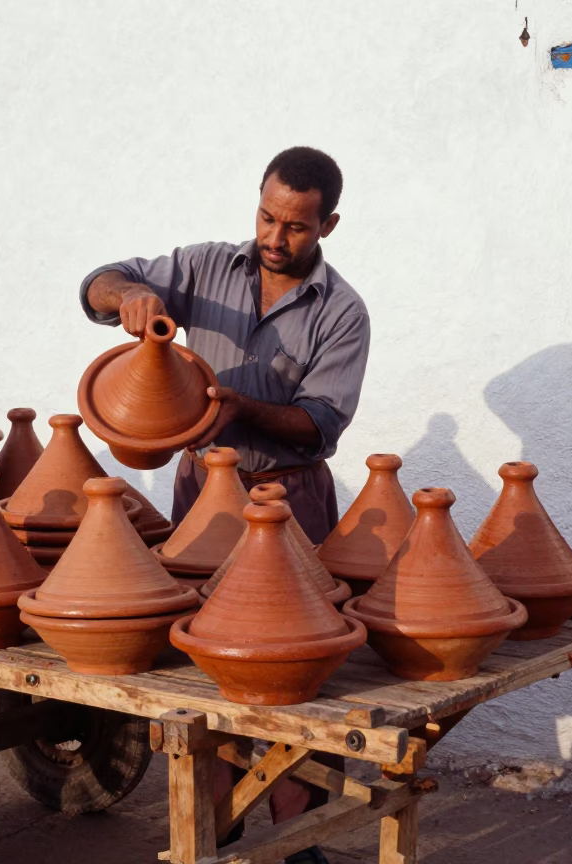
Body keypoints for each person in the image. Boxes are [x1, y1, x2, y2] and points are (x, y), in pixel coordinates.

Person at [79, 146, 370, 864]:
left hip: (291, 495)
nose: (275, 237)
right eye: (267, 216)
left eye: (296, 227)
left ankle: (300, 842)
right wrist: (129, 299)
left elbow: (319, 423)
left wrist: (242, 407)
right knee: (211, 675)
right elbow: (95, 285)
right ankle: (217, 837)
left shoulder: (343, 312)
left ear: (328, 224)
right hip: (203, 499)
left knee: (299, 678)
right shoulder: (205, 266)